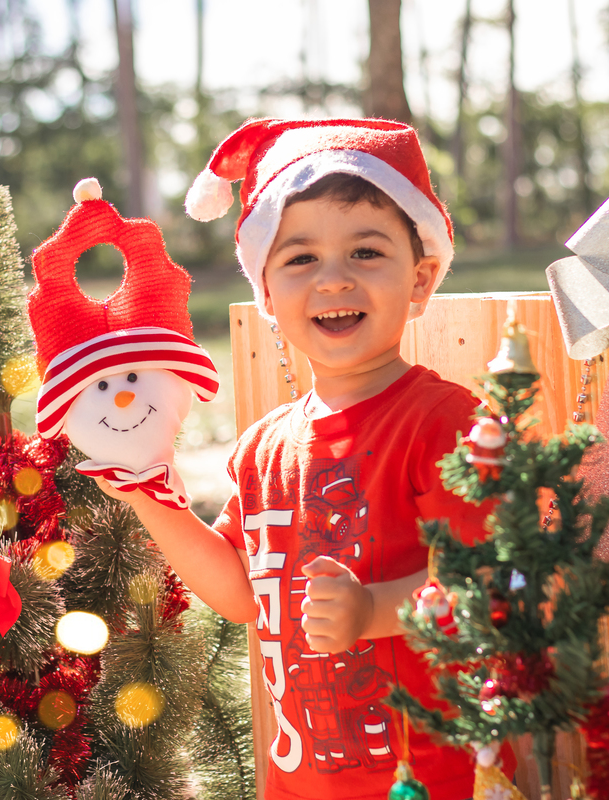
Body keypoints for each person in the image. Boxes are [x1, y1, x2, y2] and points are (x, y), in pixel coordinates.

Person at [97, 118, 511, 800]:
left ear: (420, 279)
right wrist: (149, 496)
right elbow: (241, 593)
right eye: (300, 259)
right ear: (265, 292)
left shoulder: (443, 424)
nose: (334, 280)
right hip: (300, 781)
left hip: (436, 779)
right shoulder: (264, 448)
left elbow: (485, 585)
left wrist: (371, 611)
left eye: (366, 252)